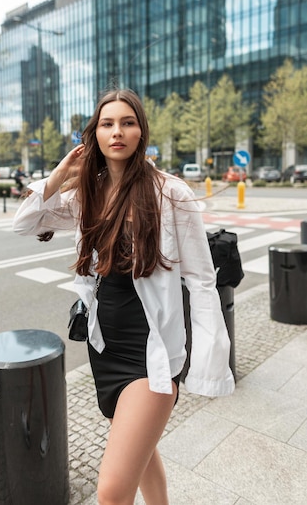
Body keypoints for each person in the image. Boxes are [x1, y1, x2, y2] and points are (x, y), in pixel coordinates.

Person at [13, 89, 235, 505]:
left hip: (152, 352)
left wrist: (208, 361)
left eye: (128, 122)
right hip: (105, 346)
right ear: (94, 134)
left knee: (112, 492)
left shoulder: (170, 194)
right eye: (107, 123)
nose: (118, 131)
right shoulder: (87, 194)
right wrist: (62, 171)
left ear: (141, 132)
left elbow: (203, 281)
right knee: (143, 453)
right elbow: (24, 223)